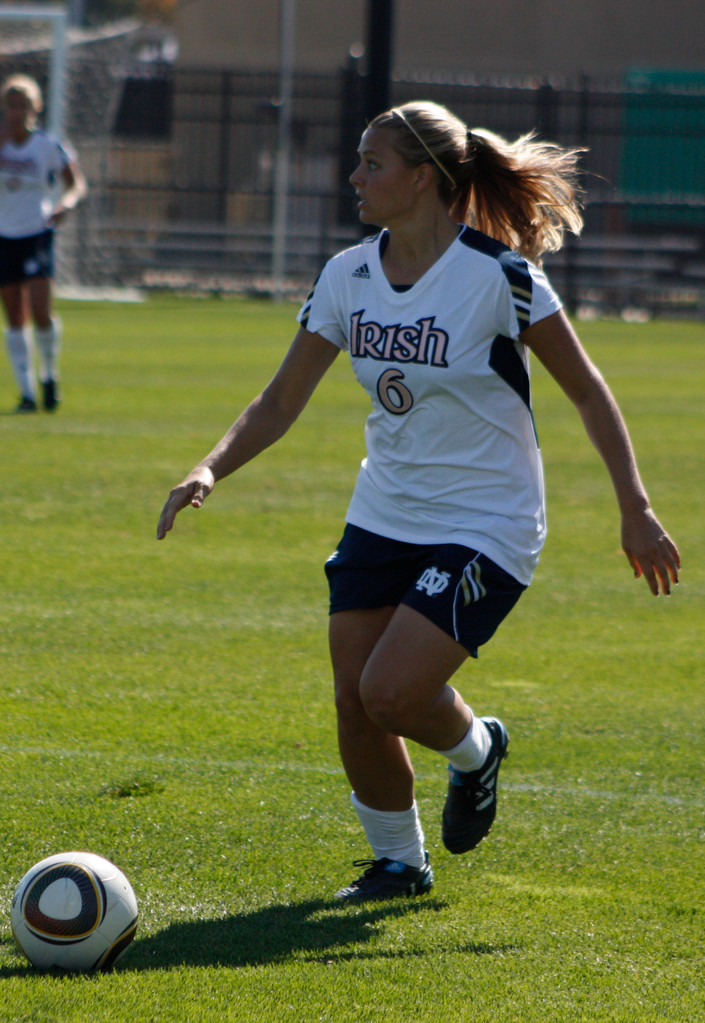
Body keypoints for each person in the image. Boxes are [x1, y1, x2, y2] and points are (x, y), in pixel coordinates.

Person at [157, 101, 680, 902]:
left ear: (423, 178)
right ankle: (398, 865)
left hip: (487, 520)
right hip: (384, 512)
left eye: (372, 162)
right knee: (352, 698)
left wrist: (634, 507)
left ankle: (475, 751)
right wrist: (209, 468)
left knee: (390, 691)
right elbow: (280, 399)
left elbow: (588, 392)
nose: (354, 176)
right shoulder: (347, 274)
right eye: (359, 159)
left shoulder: (499, 277)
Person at [0, 74, 87, 413]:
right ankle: (26, 393)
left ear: (35, 108)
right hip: (4, 235)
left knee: (41, 311)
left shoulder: (48, 144)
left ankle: (49, 375)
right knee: (14, 316)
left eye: (24, 105)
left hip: (37, 232)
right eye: (12, 105)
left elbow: (76, 184)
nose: (17, 112)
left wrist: (67, 203)